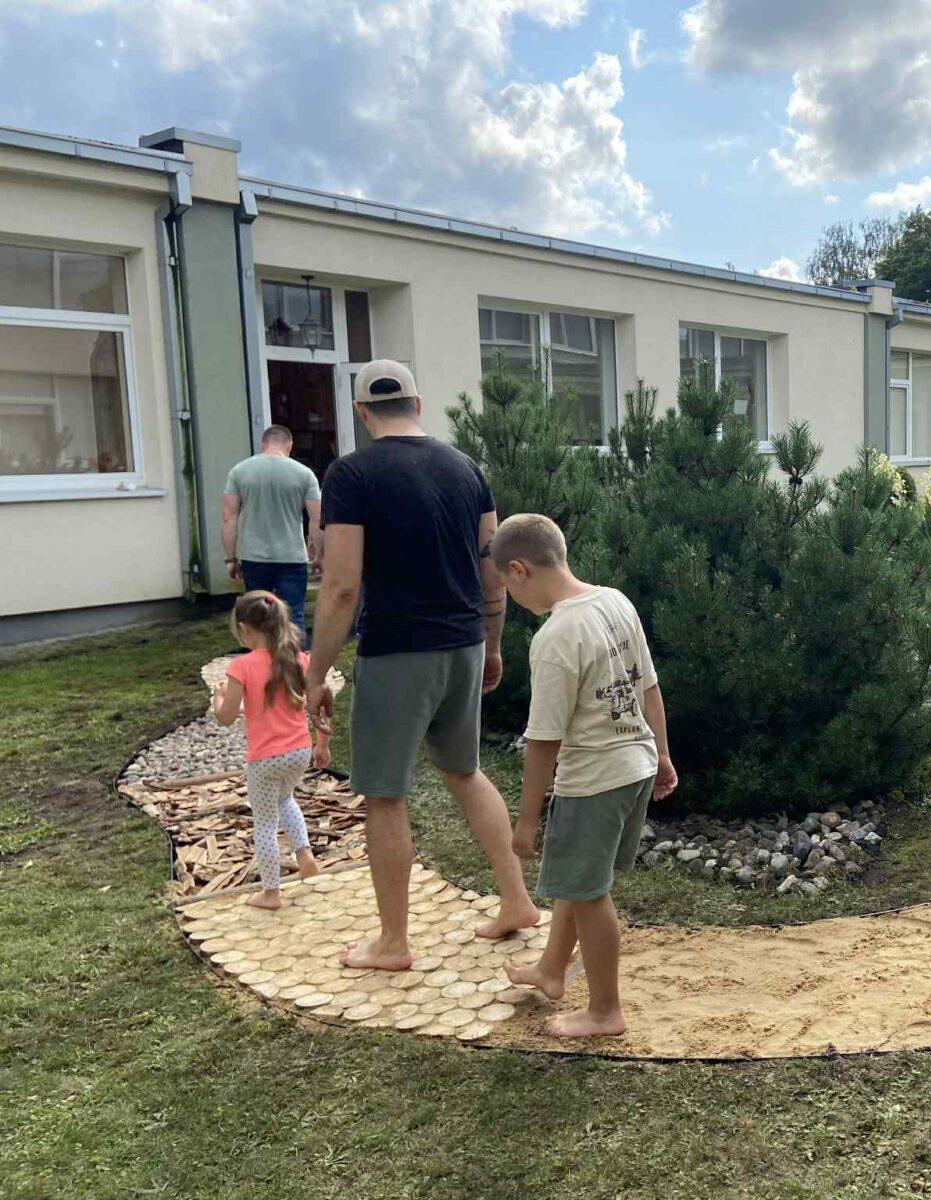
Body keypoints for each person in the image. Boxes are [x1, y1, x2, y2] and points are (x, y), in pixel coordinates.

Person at [306, 360, 542, 971]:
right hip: (464, 642)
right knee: (465, 771)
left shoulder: (351, 474)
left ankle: (393, 942)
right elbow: (493, 570)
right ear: (417, 402)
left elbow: (341, 587)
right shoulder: (467, 469)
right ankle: (517, 900)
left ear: (362, 412)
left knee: (384, 794)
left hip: (397, 651)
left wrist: (316, 672)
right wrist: (493, 643)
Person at [491, 514, 677, 1039]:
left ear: (519, 569)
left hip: (594, 778)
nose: (510, 596)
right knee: (579, 877)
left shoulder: (556, 637)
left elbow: (543, 740)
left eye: (506, 585)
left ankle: (604, 1011)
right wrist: (663, 754)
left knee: (591, 894)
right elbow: (648, 686)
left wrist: (526, 821)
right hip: (635, 764)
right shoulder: (615, 602)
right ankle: (552, 970)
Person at [211, 590, 330, 909]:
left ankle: (271, 892)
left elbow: (226, 717)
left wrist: (218, 698)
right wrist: (322, 745)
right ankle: (304, 854)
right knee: (285, 798)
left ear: (244, 629)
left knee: (264, 822)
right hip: (299, 752)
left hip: (264, 759)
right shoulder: (297, 659)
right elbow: (318, 708)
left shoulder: (242, 666)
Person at [221, 426, 322, 639]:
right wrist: (318, 555)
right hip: (292, 556)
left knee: (258, 617)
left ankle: (261, 658)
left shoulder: (239, 471)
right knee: (293, 616)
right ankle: (294, 658)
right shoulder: (304, 474)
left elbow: (229, 518)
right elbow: (317, 518)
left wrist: (230, 559)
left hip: (254, 557)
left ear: (262, 444)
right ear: (290, 446)